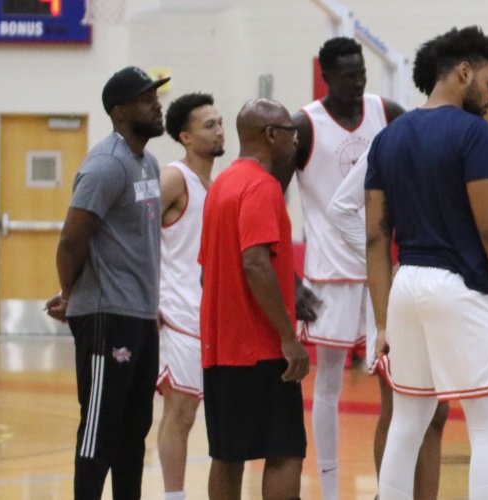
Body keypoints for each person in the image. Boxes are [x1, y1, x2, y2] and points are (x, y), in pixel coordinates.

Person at [366, 26, 488, 500]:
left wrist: (382, 322)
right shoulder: (472, 132)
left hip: (405, 288)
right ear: (464, 71)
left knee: (406, 421)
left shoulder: (388, 137)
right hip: (459, 287)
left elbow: (375, 239)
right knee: (487, 427)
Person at [290, 36, 408, 499]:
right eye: (347, 74)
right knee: (329, 385)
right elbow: (271, 198)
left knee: (393, 380)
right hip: (329, 275)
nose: (358, 80)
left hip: (382, 267)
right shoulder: (305, 125)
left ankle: (389, 488)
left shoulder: (388, 112)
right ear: (326, 74)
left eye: (361, 72)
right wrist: (291, 277)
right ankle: (331, 490)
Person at [49, 65, 167, 500]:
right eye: (146, 98)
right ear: (120, 112)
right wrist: (70, 293)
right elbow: (71, 240)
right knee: (100, 428)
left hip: (139, 316)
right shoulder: (106, 165)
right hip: (106, 317)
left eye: (156, 95)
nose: (157, 104)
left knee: (134, 432)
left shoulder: (149, 163)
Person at [198, 98, 310, 500]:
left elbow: (206, 270)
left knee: (227, 455)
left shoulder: (221, 186)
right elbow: (255, 263)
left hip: (220, 348)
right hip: (260, 349)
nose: (295, 139)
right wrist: (288, 337)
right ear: (269, 135)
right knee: (284, 451)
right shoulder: (263, 186)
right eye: (289, 131)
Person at [326, 153, 450, 500]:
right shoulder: (393, 143)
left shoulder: (459, 137)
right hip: (400, 289)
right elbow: (340, 209)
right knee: (399, 407)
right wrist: (385, 262)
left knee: (437, 412)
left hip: (442, 289)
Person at [155, 91, 225, 500]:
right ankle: (173, 496)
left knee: (198, 414)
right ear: (185, 136)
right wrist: (149, 296)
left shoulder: (214, 185)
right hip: (176, 311)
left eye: (219, 123)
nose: (219, 131)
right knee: (179, 414)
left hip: (207, 314)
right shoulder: (173, 177)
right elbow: (136, 233)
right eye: (209, 125)